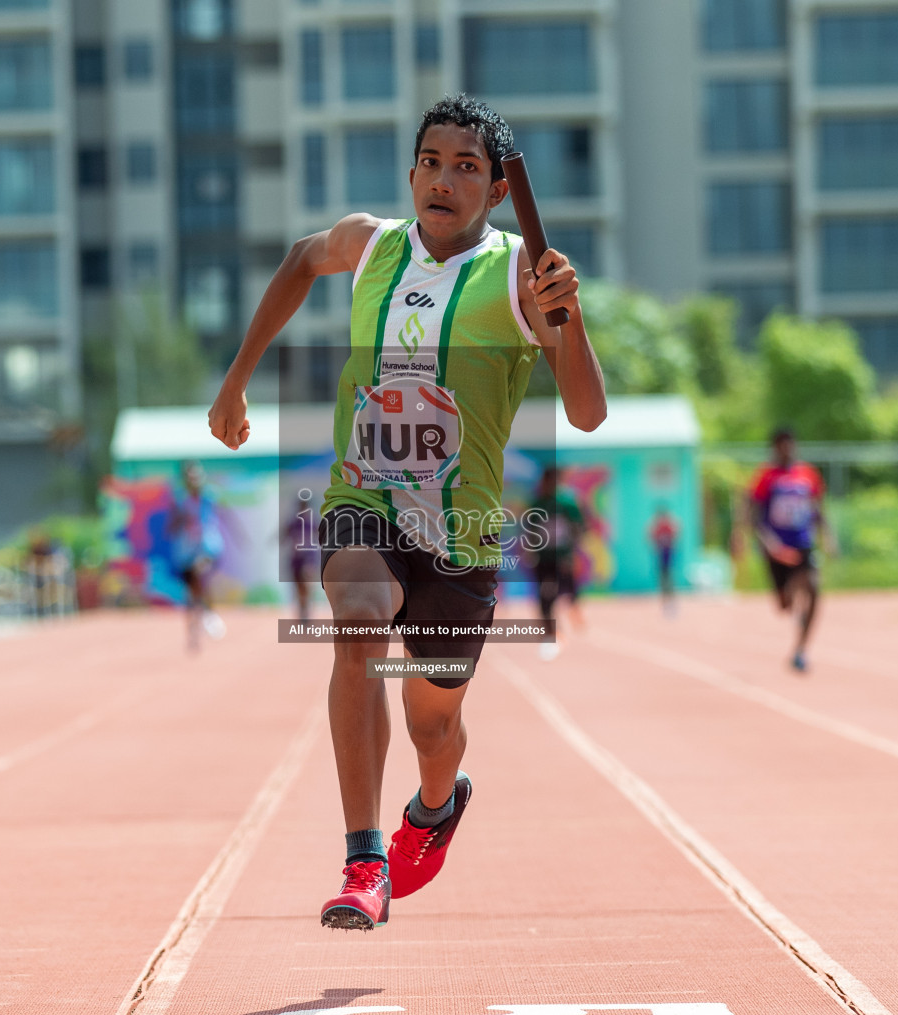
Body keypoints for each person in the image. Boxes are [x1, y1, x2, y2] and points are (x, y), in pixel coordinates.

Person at [208, 95, 606, 930]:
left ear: (498, 191)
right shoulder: (371, 245)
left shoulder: (518, 273)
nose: (444, 179)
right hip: (366, 500)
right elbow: (297, 259)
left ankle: (435, 805)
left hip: (461, 535)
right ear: (412, 171)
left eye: (467, 167)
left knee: (435, 725)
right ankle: (362, 860)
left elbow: (588, 413)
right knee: (356, 621)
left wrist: (567, 320)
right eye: (432, 161)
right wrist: (239, 376)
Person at [748, 428, 832, 672]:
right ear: (774, 447)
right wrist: (768, 542)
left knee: (814, 588)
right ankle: (792, 594)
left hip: (802, 542)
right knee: (784, 605)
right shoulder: (765, 476)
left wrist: (827, 536)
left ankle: (801, 650)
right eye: (782, 445)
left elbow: (818, 508)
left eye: (790, 444)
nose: (787, 449)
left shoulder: (808, 474)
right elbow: (754, 515)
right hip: (777, 548)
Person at [525, 466, 586, 660]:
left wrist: (572, 552)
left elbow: (578, 527)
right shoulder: (537, 504)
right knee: (545, 595)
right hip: (543, 557)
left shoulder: (567, 503)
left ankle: (574, 618)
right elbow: (530, 530)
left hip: (562, 557)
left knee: (569, 590)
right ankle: (549, 631)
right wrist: (530, 551)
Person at [169, 462, 226, 649]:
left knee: (200, 572)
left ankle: (209, 611)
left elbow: (221, 517)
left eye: (196, 476)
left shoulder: (209, 497)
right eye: (189, 477)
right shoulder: (180, 501)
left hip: (207, 548)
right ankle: (193, 630)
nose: (193, 481)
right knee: (191, 594)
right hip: (186, 551)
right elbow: (172, 526)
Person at [284, 494, 319, 622]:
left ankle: (306, 610)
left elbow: (321, 536)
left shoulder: (312, 522)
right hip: (296, 559)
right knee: (298, 587)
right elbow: (284, 535)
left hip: (309, 558)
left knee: (306, 584)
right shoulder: (294, 522)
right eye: (301, 505)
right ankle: (302, 610)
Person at [648, 505, 680, 616]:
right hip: (661, 555)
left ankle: (670, 599)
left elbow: (676, 536)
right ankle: (664, 600)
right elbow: (650, 536)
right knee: (662, 577)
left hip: (668, 554)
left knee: (669, 577)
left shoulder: (669, 526)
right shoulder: (658, 526)